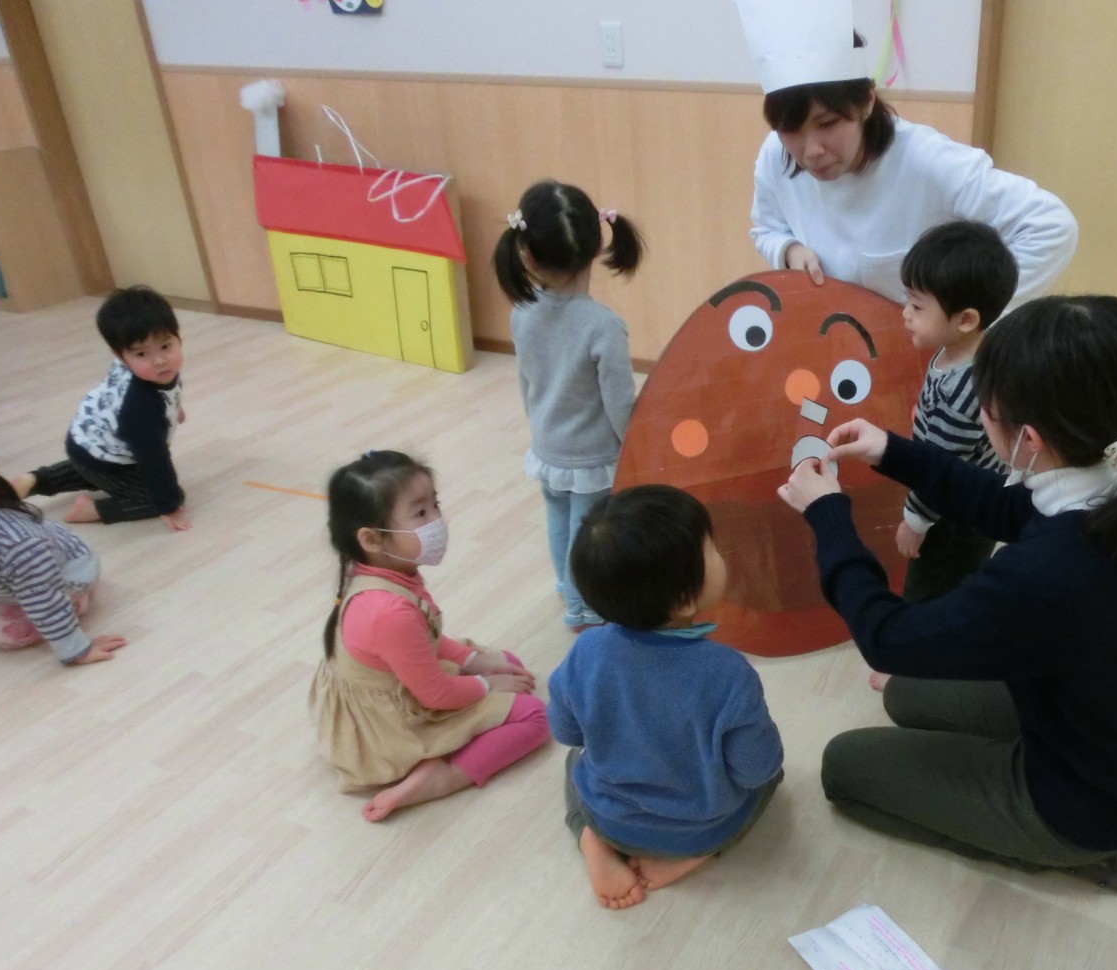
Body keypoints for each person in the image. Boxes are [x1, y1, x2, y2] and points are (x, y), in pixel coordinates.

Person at [777, 296, 1117, 894]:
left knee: (843, 767)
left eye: (986, 407)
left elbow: (887, 638)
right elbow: (1008, 508)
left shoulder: (1050, 574)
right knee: (904, 695)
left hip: (1082, 806)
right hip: (1102, 734)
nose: (980, 414)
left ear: (1029, 438)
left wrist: (827, 514)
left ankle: (1092, 856)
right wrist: (891, 450)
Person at [722, 0, 1077, 305]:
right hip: (830, 337)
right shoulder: (775, 155)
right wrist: (788, 250)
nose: (811, 150)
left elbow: (1050, 226)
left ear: (866, 101)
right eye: (790, 129)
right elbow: (767, 228)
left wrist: (968, 316)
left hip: (915, 346)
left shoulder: (926, 161)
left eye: (828, 123)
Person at [549, 485, 784, 910]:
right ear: (686, 599)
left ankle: (591, 838)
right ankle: (695, 856)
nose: (720, 554)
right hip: (699, 828)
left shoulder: (586, 651)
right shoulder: (728, 674)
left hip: (612, 820)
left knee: (573, 765)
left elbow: (567, 732)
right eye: (711, 548)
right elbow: (756, 769)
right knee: (773, 779)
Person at [309, 450, 550, 823]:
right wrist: (486, 684)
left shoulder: (384, 571)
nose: (437, 520)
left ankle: (448, 743)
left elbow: (428, 639)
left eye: (434, 505)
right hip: (386, 726)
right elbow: (435, 694)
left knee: (508, 665)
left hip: (400, 686)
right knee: (534, 717)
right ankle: (444, 776)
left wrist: (477, 663)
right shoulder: (387, 611)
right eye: (420, 513)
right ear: (371, 538)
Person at [493, 180, 644, 629]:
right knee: (588, 533)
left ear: (526, 255)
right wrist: (634, 449)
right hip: (592, 457)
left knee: (559, 521)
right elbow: (619, 403)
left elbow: (527, 381)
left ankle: (566, 588)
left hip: (548, 447)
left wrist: (540, 428)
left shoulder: (521, 312)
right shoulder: (603, 326)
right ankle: (584, 609)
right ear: (596, 247)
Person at [893, 220, 1017, 603]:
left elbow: (940, 471)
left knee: (931, 592)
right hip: (973, 496)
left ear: (966, 320)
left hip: (954, 517)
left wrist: (914, 522)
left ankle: (926, 641)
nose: (905, 313)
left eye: (917, 306)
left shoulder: (962, 393)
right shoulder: (966, 353)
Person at [13, 287, 194, 531]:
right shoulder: (142, 406)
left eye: (165, 346)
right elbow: (153, 459)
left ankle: (35, 480)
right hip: (104, 457)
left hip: (86, 442)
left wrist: (173, 410)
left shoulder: (146, 373)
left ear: (178, 337)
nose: (160, 360)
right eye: (142, 353)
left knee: (94, 468)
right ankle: (91, 510)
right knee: (164, 494)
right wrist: (167, 504)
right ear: (120, 356)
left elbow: (165, 395)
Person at [0, 437, 125, 665]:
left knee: (2, 633)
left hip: (61, 578)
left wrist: (77, 649)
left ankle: (77, 601)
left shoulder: (17, 547)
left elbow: (45, 600)